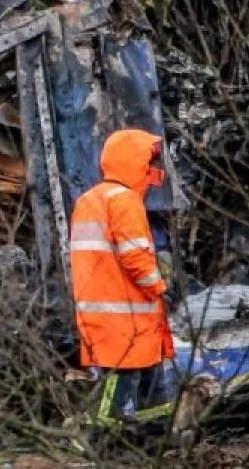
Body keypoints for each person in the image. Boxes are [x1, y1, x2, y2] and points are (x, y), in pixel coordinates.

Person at [69, 129, 175, 440]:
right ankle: (106, 441)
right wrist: (160, 288)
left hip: (105, 314)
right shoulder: (125, 201)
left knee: (136, 378)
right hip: (128, 317)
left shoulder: (88, 200)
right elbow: (135, 257)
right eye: (148, 163)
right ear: (135, 163)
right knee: (127, 382)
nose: (152, 172)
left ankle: (151, 436)